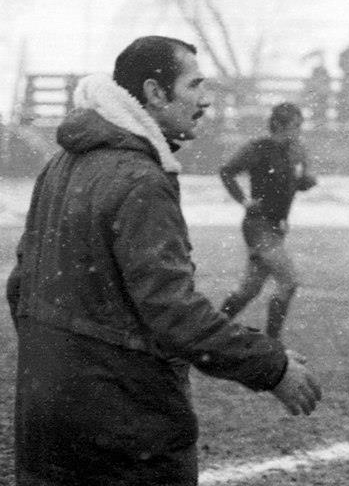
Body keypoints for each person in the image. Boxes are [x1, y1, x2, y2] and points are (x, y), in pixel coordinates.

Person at [7, 36, 322, 486]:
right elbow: (173, 313)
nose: (205, 100)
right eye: (194, 86)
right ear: (155, 93)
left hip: (45, 419)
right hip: (125, 431)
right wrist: (272, 367)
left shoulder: (60, 164)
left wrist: (63, 367)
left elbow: (22, 286)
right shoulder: (140, 179)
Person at [219, 102, 316, 341]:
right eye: (295, 125)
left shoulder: (292, 151)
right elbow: (227, 171)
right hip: (259, 225)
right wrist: (244, 200)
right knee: (289, 282)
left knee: (249, 289)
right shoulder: (259, 148)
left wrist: (306, 171)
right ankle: (273, 341)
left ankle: (209, 332)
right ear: (279, 125)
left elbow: (297, 184)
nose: (299, 131)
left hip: (275, 226)